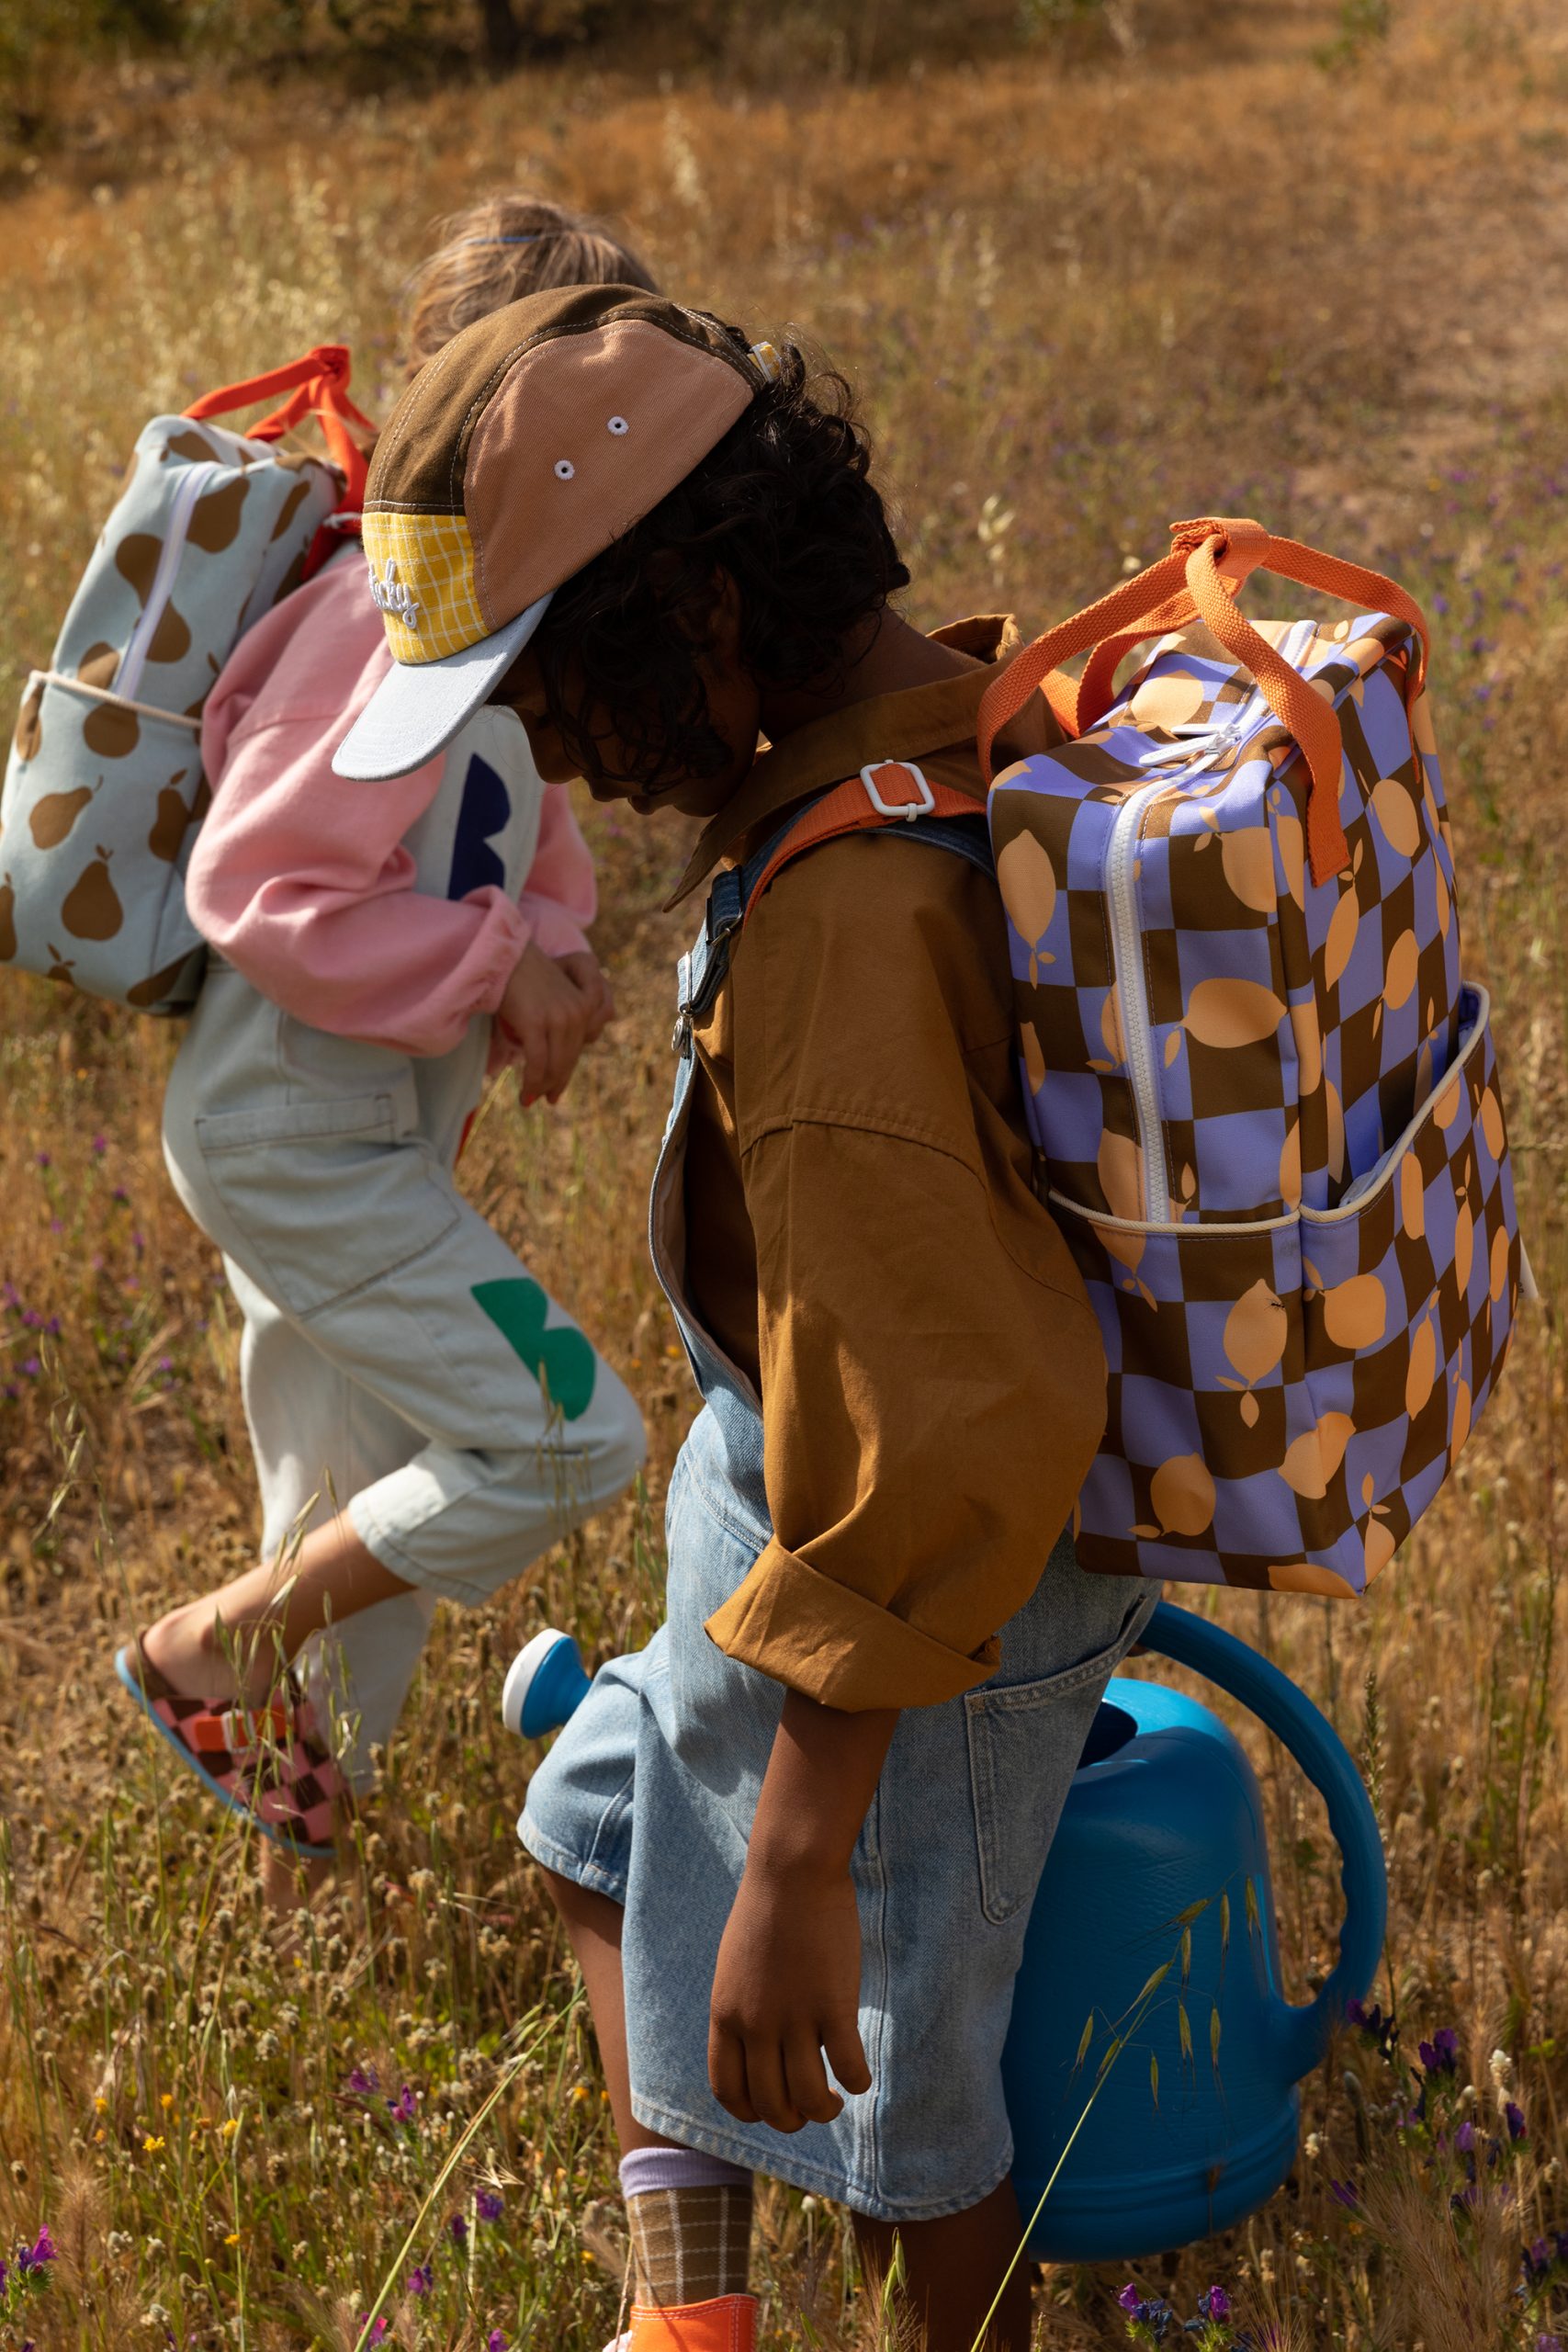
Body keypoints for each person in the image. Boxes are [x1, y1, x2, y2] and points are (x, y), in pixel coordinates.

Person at [332, 282, 1157, 2352]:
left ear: (696, 618)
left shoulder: (839, 941)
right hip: (787, 1516)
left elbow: (950, 1417)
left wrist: (801, 1846)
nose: (567, 764)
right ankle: (693, 2320)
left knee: (897, 2096)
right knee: (595, 1816)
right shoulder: (906, 724)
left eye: (566, 699)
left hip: (913, 1626)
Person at [116, 201, 656, 1903]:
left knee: (363, 1497)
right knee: (565, 1434)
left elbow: (518, 827)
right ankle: (200, 1651)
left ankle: (290, 1885)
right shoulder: (383, 612)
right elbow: (257, 887)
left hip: (356, 1127)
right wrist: (503, 969)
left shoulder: (498, 615)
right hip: (294, 1128)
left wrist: (551, 943)